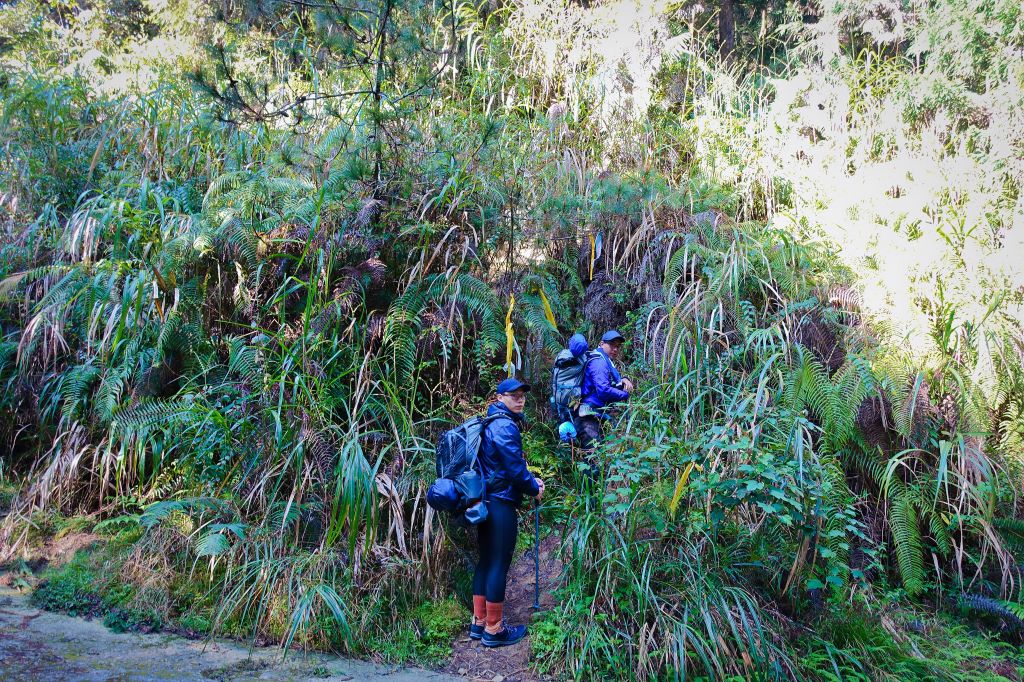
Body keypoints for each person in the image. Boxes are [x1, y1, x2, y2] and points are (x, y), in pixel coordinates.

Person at [469, 377, 545, 647]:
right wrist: (533, 486)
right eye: (513, 395)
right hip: (500, 503)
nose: (520, 399)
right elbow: (514, 469)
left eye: (523, 395)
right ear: (499, 398)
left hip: (485, 502)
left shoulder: (490, 421)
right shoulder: (504, 425)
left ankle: (479, 623)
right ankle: (494, 630)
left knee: (487, 561)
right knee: (498, 564)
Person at [576, 329, 634, 452]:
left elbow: (612, 383)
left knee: (596, 456)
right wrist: (624, 394)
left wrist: (624, 379)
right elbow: (603, 390)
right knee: (593, 459)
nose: (615, 349)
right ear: (602, 344)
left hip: (595, 415)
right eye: (612, 344)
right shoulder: (598, 362)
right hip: (589, 417)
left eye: (618, 346)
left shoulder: (603, 360)